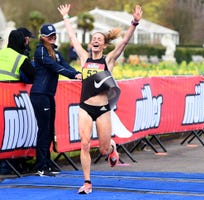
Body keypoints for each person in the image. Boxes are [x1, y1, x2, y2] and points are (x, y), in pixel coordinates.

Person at [58, 3, 142, 194]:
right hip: (85, 108)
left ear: (103, 45)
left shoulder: (108, 60)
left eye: (99, 39)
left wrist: (134, 23)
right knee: (85, 143)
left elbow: (123, 43)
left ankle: (111, 148)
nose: (95, 41)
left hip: (103, 109)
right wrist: (66, 17)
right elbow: (72, 37)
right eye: (93, 38)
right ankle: (87, 182)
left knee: (103, 150)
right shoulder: (84, 58)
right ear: (90, 44)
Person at [30, 23, 82, 177]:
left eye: (54, 35)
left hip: (48, 95)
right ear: (43, 37)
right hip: (40, 94)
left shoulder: (56, 51)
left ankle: (46, 162)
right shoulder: (40, 51)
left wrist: (79, 73)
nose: (53, 38)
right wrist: (74, 75)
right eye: (49, 36)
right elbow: (55, 68)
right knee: (44, 130)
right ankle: (40, 165)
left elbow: (65, 65)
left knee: (50, 130)